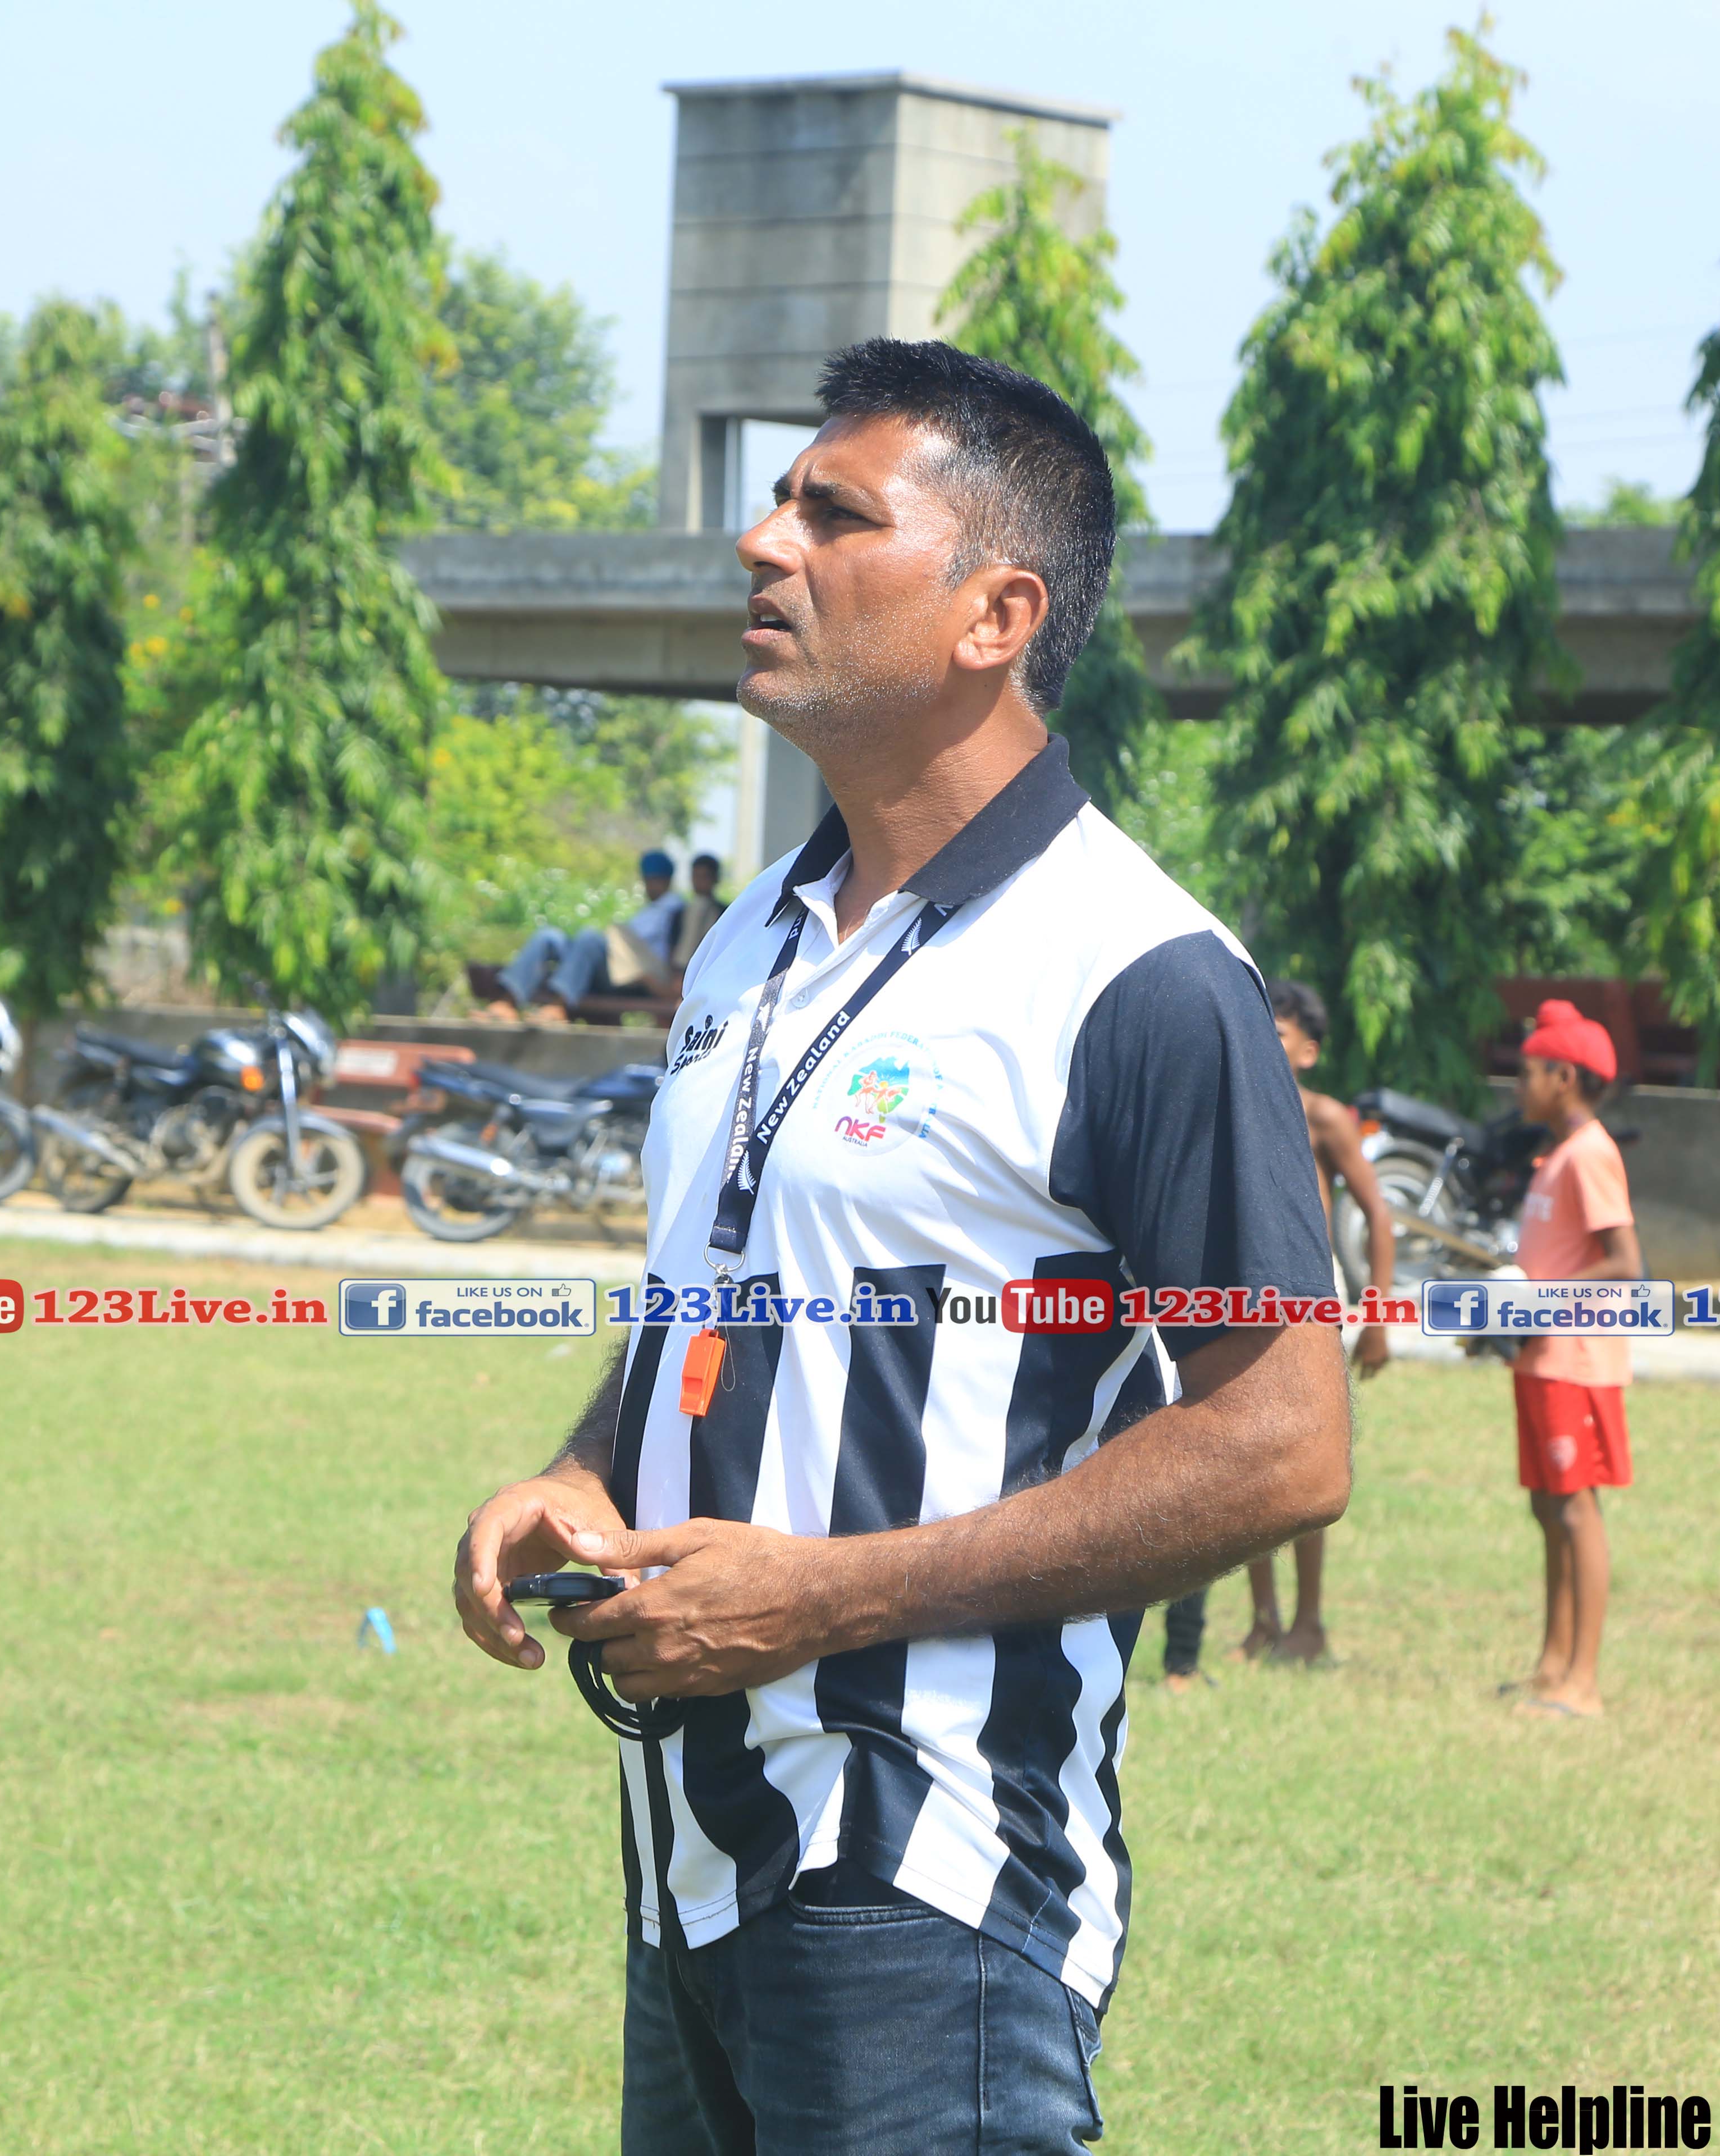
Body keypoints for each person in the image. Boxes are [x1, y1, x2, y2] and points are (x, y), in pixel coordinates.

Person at [451, 339, 1351, 2155]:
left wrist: (823, 1597)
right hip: (689, 1863)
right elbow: (723, 1290)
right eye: (779, 502)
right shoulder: (750, 943)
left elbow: (1283, 1442)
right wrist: (584, 1471)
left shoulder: (1140, 975)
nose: (760, 543)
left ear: (995, 615)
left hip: (930, 1883)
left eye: (834, 515)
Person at [1157, 977, 1393, 1686]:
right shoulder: (1239, 1106)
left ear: (1309, 1051)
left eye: (1280, 1034)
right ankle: (1263, 1619)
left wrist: (1377, 1316)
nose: (1264, 1041)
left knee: (1307, 1453)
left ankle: (1308, 1622)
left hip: (1311, 1290)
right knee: (1253, 1447)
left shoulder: (1325, 1118)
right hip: (1247, 1287)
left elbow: (1378, 1214)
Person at [1507, 998, 1640, 1721]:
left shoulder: (1590, 1153)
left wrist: (1537, 1300)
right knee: (1547, 1507)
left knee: (1576, 1511)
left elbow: (1624, 1263)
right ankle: (1551, 1665)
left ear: (1565, 1078)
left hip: (1575, 1361)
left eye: (1529, 1072)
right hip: (1540, 1357)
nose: (1518, 1085)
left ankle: (1583, 1685)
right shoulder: (1555, 1155)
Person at [491, 851, 693, 1024]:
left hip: (630, 978)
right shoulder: (649, 910)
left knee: (589, 938)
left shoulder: (674, 909)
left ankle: (559, 1006)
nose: (651, 885)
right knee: (548, 937)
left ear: (667, 880)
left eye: (656, 880)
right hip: (610, 963)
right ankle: (508, 1002)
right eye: (648, 879)